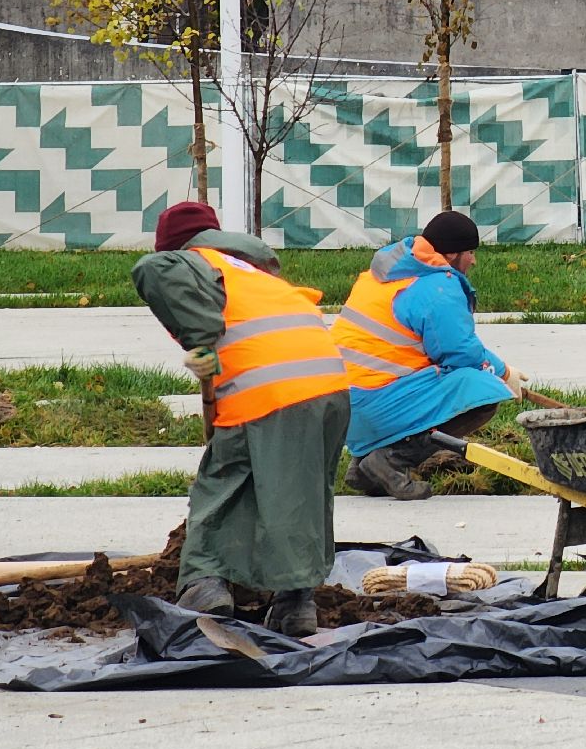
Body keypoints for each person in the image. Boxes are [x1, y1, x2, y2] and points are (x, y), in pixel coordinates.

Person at [131, 201, 350, 636]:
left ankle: (204, 583)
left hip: (269, 391)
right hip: (330, 390)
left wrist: (199, 338)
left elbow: (152, 270)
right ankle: (295, 603)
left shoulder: (189, 260)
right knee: (299, 496)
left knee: (222, 481)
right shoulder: (249, 272)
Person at [333, 211, 524, 501]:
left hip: (343, 406)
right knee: (483, 389)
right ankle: (392, 460)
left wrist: (500, 368)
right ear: (451, 254)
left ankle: (364, 467)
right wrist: (503, 374)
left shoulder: (385, 273)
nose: (473, 260)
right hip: (374, 405)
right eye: (470, 252)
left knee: (420, 373)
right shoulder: (437, 287)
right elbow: (461, 354)